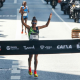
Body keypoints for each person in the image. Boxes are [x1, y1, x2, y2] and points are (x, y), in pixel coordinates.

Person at [21, 9, 52, 77]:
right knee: (30, 57)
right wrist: (22, 15)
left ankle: (35, 71)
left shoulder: (38, 28)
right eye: (33, 23)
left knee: (36, 58)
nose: (34, 24)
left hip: (37, 44)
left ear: (36, 23)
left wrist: (49, 18)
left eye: (35, 23)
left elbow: (46, 25)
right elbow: (23, 23)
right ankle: (29, 68)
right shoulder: (29, 28)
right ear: (31, 22)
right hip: (30, 44)